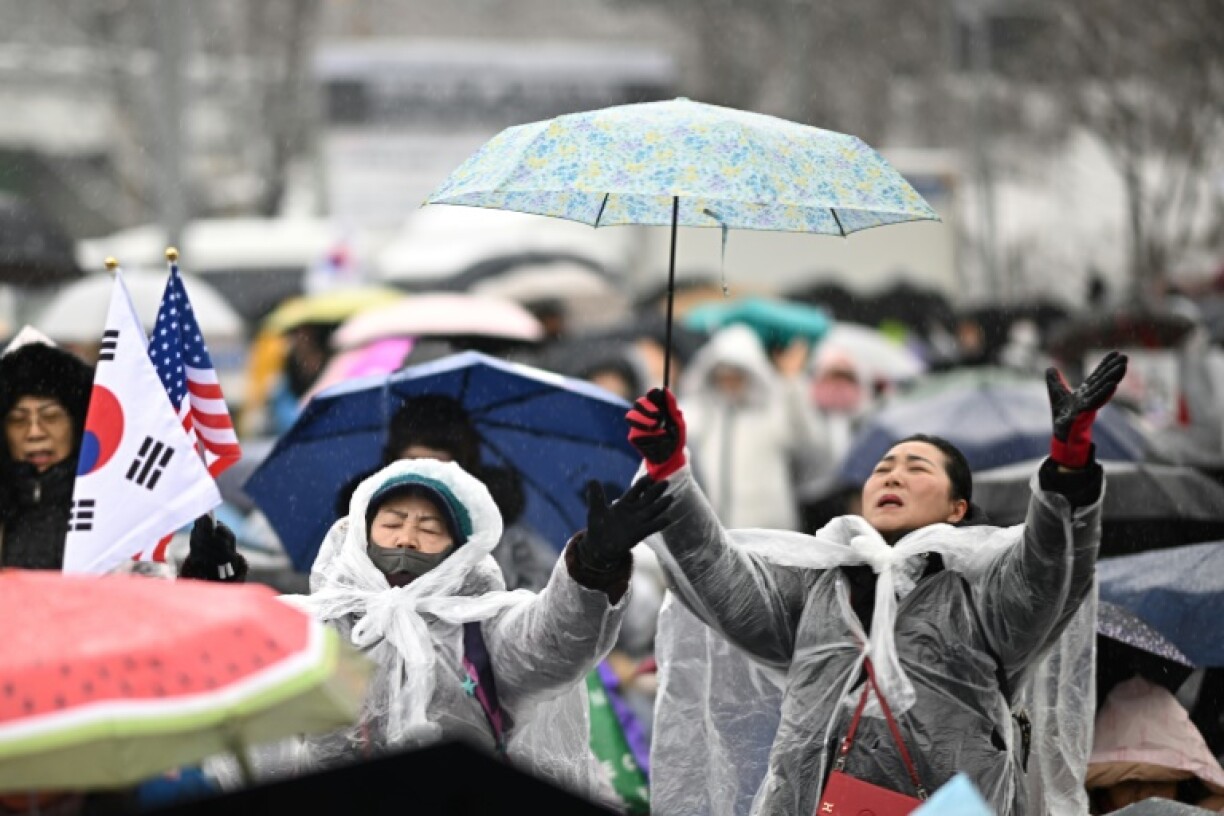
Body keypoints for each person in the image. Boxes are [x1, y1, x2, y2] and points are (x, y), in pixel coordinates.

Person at [624, 352, 1129, 816]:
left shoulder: (981, 595)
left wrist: (1068, 465)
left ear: (958, 509)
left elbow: (1050, 568)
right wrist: (669, 471)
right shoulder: (818, 587)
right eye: (883, 468)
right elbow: (718, 572)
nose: (893, 476)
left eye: (917, 468)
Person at [278, 457, 670, 799]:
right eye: (392, 523)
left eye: (430, 529)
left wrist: (594, 564)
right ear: (363, 534)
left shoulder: (482, 624)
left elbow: (553, 642)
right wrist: (217, 580)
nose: (407, 539)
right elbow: (238, 673)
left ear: (458, 548)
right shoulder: (319, 625)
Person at [0, 339, 245, 580]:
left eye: (50, 417)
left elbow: (155, 604)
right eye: (18, 420)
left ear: (78, 423)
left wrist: (207, 574)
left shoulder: (118, 509)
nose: (34, 432)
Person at [678, 324, 829, 531]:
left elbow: (811, 447)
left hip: (768, 534)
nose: (729, 381)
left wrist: (793, 383)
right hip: (711, 532)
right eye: (723, 374)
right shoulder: (695, 414)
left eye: (737, 374)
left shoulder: (775, 412)